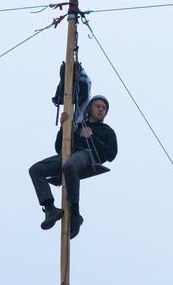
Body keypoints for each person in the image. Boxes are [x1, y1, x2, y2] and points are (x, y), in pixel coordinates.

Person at [28, 95, 117, 238]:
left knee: (69, 167)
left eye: (104, 108)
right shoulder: (77, 126)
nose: (101, 109)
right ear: (90, 108)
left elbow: (111, 154)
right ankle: (50, 209)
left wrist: (91, 138)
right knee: (35, 170)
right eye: (98, 106)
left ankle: (75, 213)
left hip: (89, 156)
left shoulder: (106, 130)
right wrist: (63, 127)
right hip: (70, 154)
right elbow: (59, 148)